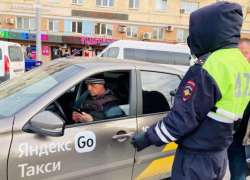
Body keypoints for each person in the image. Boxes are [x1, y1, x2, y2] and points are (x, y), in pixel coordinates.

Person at [131, 2, 250, 180]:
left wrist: (148, 137)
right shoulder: (240, 63)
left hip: (196, 157)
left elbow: (182, 118)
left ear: (208, 29)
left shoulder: (210, 65)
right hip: (219, 154)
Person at [228, 38, 250, 180]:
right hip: (234, 138)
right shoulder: (232, 75)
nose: (241, 59)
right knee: (237, 176)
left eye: (245, 54)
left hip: (248, 139)